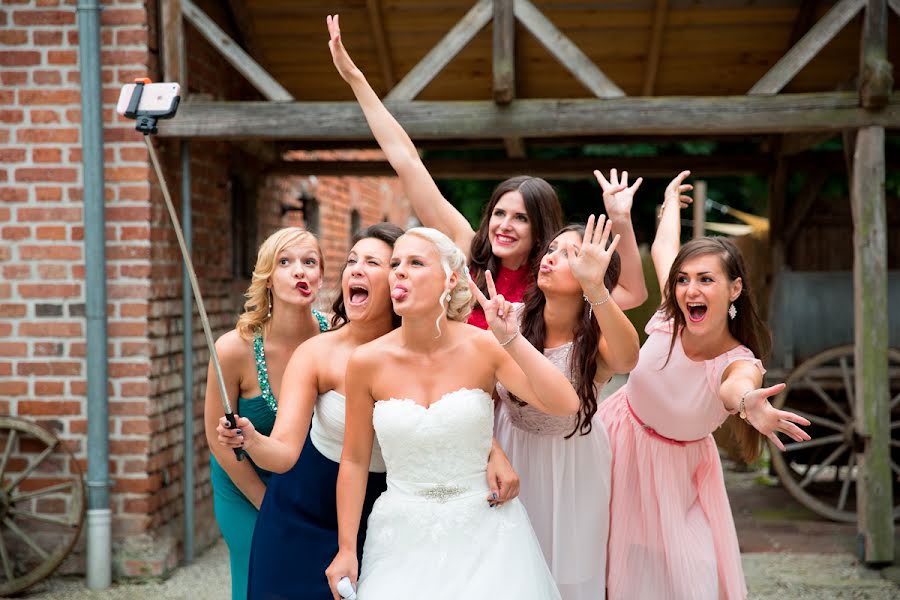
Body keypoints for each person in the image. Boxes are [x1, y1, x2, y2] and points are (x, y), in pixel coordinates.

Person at [217, 224, 521, 600]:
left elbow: (447, 412)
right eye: (350, 261)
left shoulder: (434, 346)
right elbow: (282, 453)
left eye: (374, 262)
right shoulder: (319, 352)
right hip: (301, 513)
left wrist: (494, 451)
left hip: (390, 513)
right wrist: (250, 439)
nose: (355, 270)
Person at [325, 14, 648, 327]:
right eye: (499, 213)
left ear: (540, 226)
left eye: (521, 218)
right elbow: (407, 160)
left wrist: (621, 220)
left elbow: (633, 293)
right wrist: (355, 78)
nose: (504, 226)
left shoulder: (554, 277)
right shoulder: (466, 253)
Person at [325, 227, 581, 599]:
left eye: (415, 262)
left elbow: (565, 403)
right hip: (400, 535)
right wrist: (347, 548)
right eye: (395, 263)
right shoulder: (366, 362)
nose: (399, 271)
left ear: (451, 279)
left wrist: (511, 338)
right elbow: (353, 460)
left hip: (488, 533)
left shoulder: (484, 347)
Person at [598, 171, 812, 599]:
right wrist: (667, 207)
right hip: (617, 440)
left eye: (706, 280)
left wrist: (752, 404)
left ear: (735, 289)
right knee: (608, 562)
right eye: (684, 280)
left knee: (692, 572)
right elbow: (665, 250)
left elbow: (739, 388)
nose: (689, 289)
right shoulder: (667, 317)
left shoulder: (736, 361)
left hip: (676, 471)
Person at [494, 216, 640, 600]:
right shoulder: (511, 319)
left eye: (570, 254)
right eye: (552, 249)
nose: (551, 257)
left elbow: (627, 358)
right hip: (510, 450)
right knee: (508, 571)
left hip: (573, 463)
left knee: (569, 573)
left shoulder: (595, 334)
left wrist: (595, 288)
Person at [204, 227, 328, 600]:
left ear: (321, 276)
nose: (299, 271)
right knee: (260, 572)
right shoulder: (233, 349)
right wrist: (269, 504)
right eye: (285, 262)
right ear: (268, 278)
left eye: (310, 262)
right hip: (246, 483)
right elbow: (216, 438)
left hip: (309, 486)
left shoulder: (337, 337)